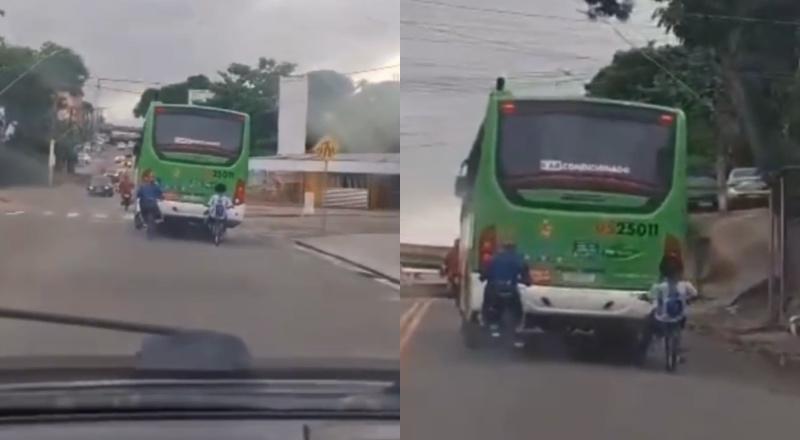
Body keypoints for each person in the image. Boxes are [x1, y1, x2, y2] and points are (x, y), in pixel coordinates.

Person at [479, 237, 531, 346]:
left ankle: (489, 324)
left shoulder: (493, 259)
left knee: (487, 302)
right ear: (514, 248)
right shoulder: (520, 260)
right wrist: (525, 281)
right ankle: (517, 332)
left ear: (502, 248)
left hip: (494, 290)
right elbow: (527, 280)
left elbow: (483, 276)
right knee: (518, 310)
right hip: (510, 290)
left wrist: (486, 276)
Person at [649, 253, 698, 363]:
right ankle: (676, 350)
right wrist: (688, 300)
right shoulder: (686, 285)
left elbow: (650, 297)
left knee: (651, 321)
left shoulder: (658, 286)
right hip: (679, 317)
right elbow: (695, 295)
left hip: (661, 318)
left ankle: (653, 341)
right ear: (680, 271)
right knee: (680, 326)